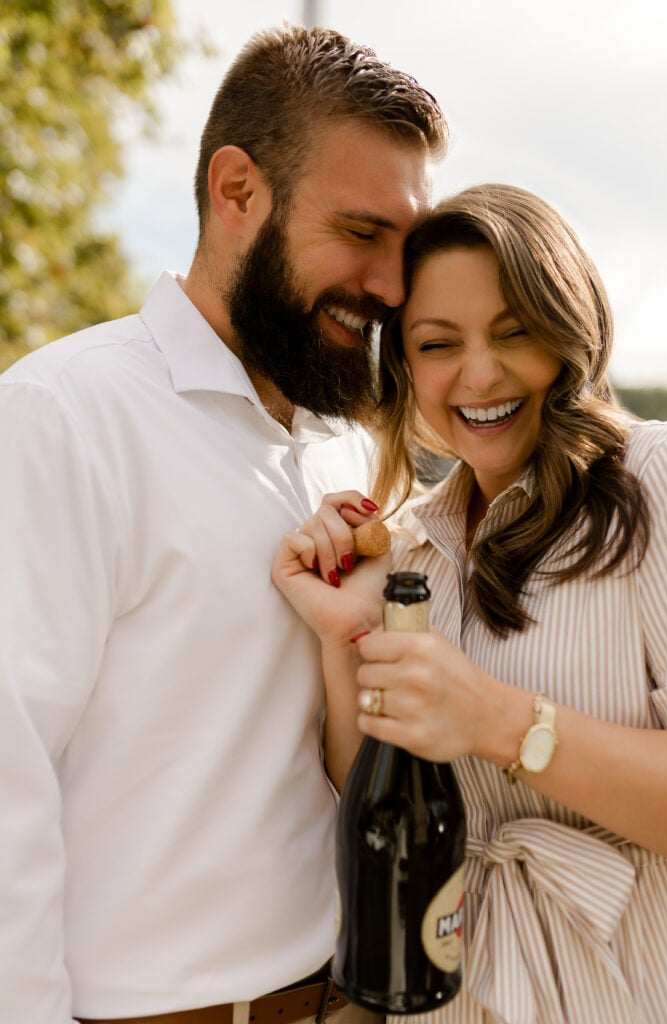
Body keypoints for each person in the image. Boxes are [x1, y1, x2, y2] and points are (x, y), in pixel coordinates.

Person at [0, 24, 448, 1024]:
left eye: (404, 248)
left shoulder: (341, 454)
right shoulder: (62, 417)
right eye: (360, 232)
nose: (388, 285)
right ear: (236, 191)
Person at [272, 184, 667, 1024]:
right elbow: (378, 790)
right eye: (437, 344)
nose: (480, 375)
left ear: (570, 330)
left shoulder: (658, 480)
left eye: (513, 332)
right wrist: (346, 632)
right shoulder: (411, 545)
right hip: (450, 997)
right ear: (405, 367)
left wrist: (499, 721)